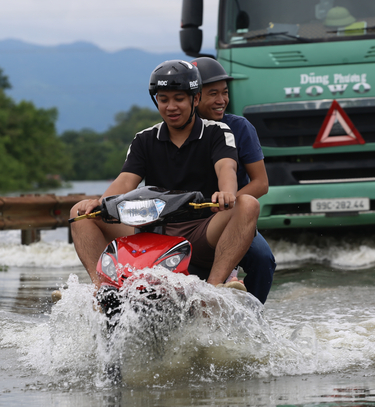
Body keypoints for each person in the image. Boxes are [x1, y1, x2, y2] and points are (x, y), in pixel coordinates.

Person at [70, 59, 261, 292]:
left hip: (202, 230)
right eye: (163, 99)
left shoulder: (217, 132)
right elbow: (125, 180)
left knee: (248, 204)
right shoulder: (144, 139)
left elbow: (226, 168)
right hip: (151, 228)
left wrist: (227, 193)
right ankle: (103, 291)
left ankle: (213, 289)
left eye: (179, 99)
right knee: (80, 212)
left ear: (195, 99)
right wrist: (99, 203)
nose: (171, 106)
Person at [191, 57, 276, 304]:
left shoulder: (240, 127)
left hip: (231, 214)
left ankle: (252, 317)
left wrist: (228, 202)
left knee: (262, 260)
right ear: (194, 97)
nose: (221, 101)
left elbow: (260, 183)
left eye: (225, 93)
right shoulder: (176, 131)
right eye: (213, 94)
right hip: (189, 218)